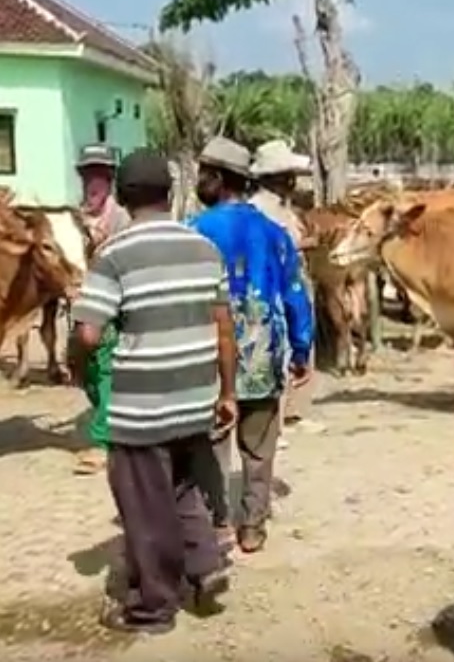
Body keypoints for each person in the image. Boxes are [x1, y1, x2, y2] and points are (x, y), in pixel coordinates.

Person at [68, 149, 235, 634]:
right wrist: (226, 393)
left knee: (143, 507)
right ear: (169, 194)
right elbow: (223, 328)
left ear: (123, 195)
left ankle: (152, 607)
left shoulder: (114, 255)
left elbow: (89, 335)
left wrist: (78, 368)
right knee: (184, 489)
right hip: (197, 397)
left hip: (142, 407)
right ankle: (205, 568)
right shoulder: (203, 248)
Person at [189, 136, 314, 554]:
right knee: (259, 448)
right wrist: (300, 350)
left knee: (212, 444)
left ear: (222, 178)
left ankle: (218, 519)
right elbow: (296, 295)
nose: (199, 180)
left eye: (205, 173)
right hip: (263, 353)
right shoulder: (275, 235)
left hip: (207, 356)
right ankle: (253, 526)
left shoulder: (192, 232)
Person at [249, 140, 316, 434]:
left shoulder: (278, 208)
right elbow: (278, 248)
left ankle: (291, 412)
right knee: (277, 350)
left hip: (284, 284)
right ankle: (273, 423)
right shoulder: (263, 211)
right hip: (275, 289)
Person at [72, 143, 131, 476]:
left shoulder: (120, 219)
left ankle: (103, 440)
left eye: (99, 175)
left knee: (106, 366)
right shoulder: (78, 217)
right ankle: (111, 421)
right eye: (87, 175)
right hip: (81, 306)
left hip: (110, 306)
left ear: (110, 180)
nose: (92, 182)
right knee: (87, 374)